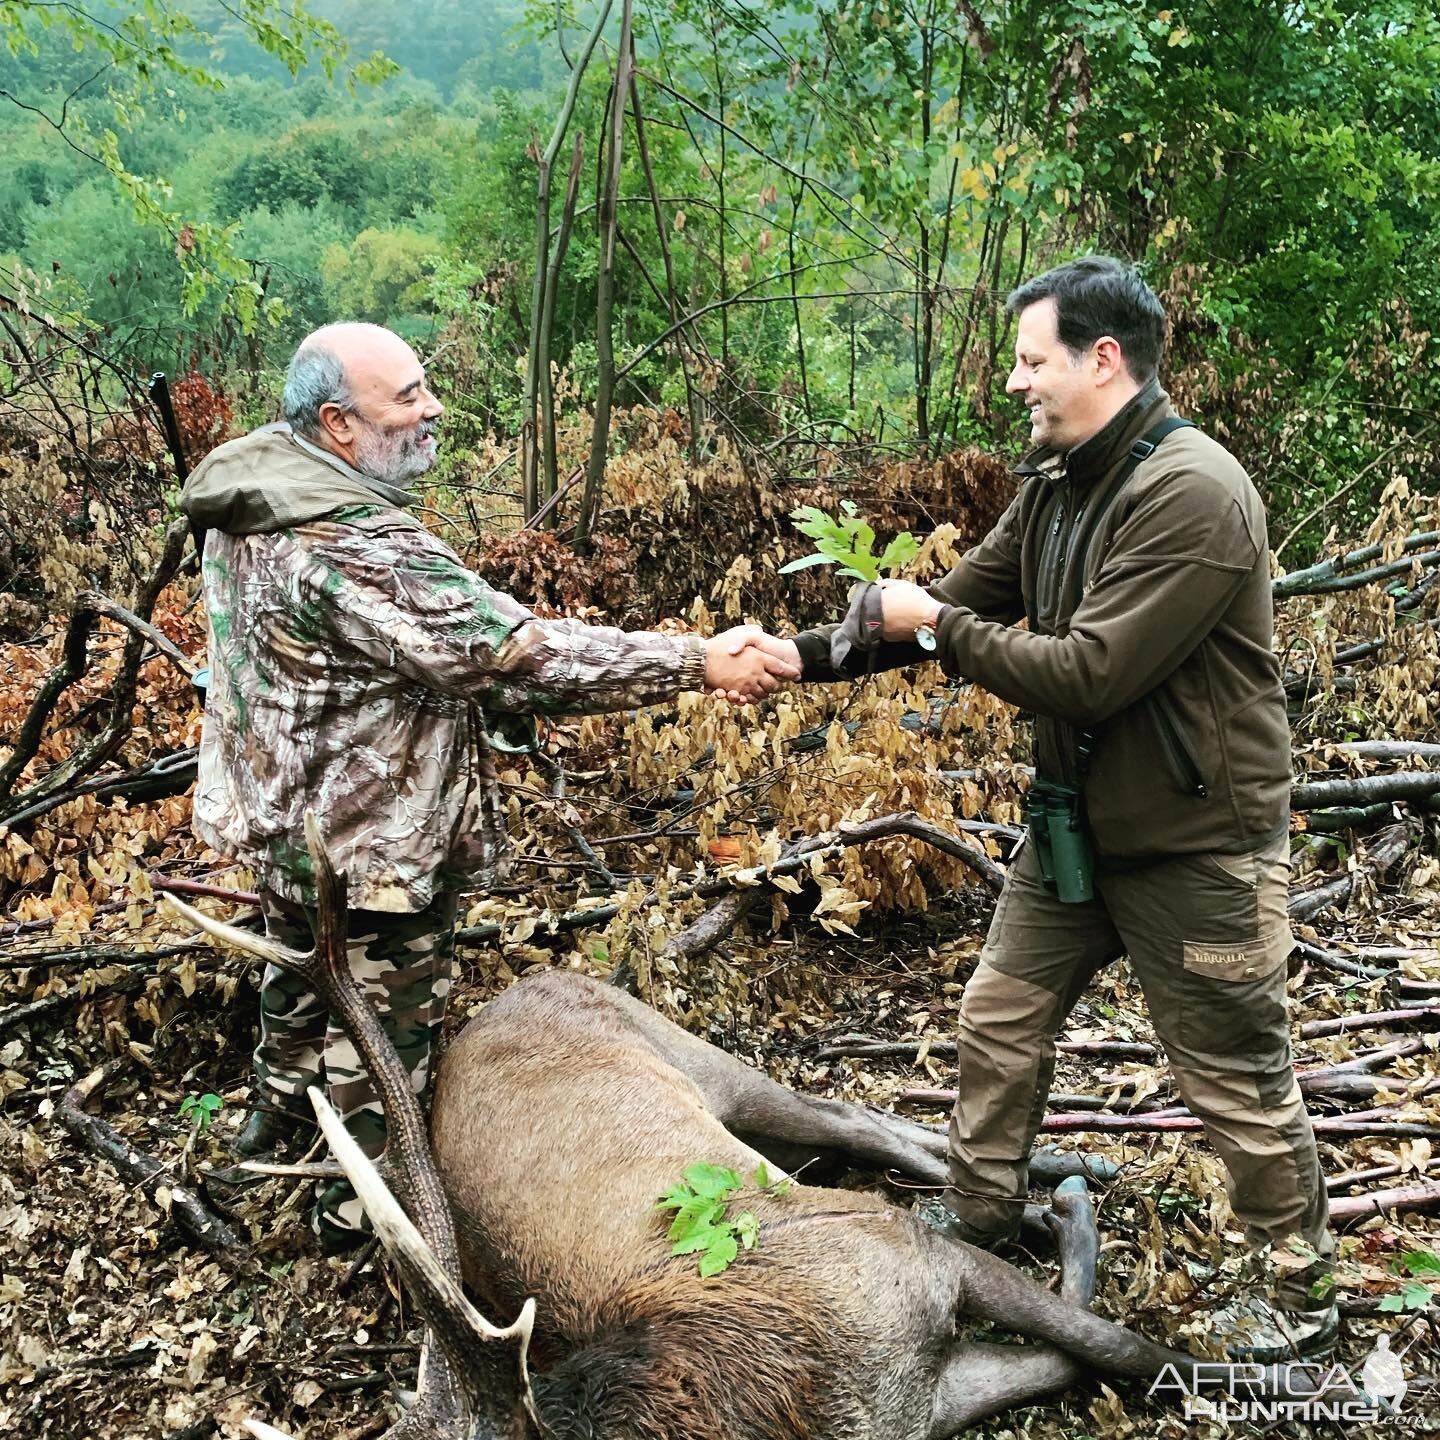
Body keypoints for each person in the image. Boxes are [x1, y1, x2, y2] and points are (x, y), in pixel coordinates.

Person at [743, 258, 1335, 1360]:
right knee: (998, 1022)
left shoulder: (1195, 493)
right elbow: (954, 609)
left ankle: (1298, 1291)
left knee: (1235, 1080)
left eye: (1030, 360)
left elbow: (1088, 672)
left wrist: (934, 622)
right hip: (1077, 830)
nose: (1015, 383)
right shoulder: (1060, 480)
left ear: (1101, 359)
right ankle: (972, 1225)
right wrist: (802, 656)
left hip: (1198, 846)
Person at [180, 322, 797, 1249]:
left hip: (279, 817)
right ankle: (360, 1224)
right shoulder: (352, 539)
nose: (432, 409)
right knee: (383, 1041)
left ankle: (271, 1130)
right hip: (368, 843)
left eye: (427, 386)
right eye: (407, 397)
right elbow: (513, 657)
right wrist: (697, 660)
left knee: (299, 989)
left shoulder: (250, 491)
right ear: (338, 423)